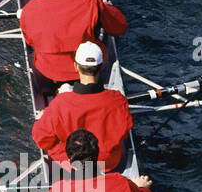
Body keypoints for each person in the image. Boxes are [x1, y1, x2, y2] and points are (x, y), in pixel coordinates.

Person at [20, 0, 127, 98]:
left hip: (48, 68)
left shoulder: (30, 9)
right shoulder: (91, 2)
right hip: (89, 66)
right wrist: (107, 10)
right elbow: (119, 28)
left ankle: (61, 89)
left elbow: (30, 41)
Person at [31, 40, 132, 171]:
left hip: (73, 163)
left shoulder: (60, 103)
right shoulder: (118, 100)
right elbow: (123, 133)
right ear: (101, 66)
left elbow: (41, 139)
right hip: (107, 163)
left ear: (75, 66)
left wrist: (43, 119)